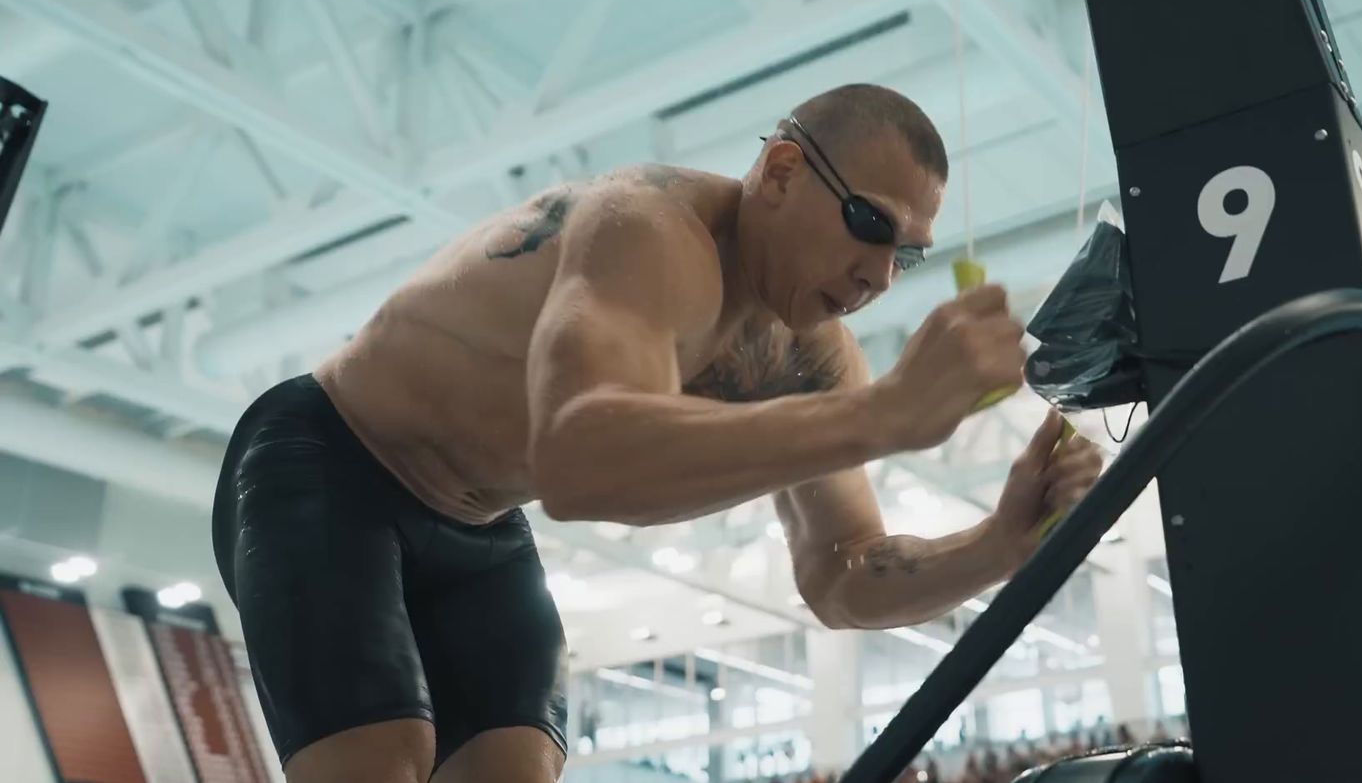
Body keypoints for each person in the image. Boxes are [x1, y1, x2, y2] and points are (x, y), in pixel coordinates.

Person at [212, 84, 1104, 783]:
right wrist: (882, 417)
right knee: (378, 762)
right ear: (784, 171)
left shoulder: (816, 360)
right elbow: (578, 458)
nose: (879, 275)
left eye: (906, 254)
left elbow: (842, 577)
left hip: (481, 525)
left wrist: (1000, 544)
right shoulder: (648, 230)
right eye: (870, 223)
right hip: (334, 460)